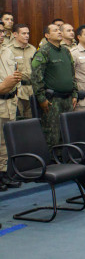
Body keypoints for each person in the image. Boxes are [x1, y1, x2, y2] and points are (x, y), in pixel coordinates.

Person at [31, 24, 78, 150]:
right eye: (55, 30)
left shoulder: (66, 51)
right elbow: (36, 76)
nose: (59, 32)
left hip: (68, 98)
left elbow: (72, 74)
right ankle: (53, 164)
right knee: (53, 134)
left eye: (59, 30)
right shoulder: (43, 51)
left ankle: (67, 160)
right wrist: (41, 98)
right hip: (53, 100)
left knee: (67, 132)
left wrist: (74, 93)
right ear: (47, 35)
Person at [0, 22, 22, 191]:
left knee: (6, 142)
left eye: (2, 32)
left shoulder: (7, 50)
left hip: (9, 101)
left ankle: (4, 174)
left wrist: (14, 83)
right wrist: (4, 85)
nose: (2, 35)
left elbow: (13, 74)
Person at [8, 24, 36, 119]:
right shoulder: (9, 50)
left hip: (32, 89)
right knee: (18, 120)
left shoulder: (33, 49)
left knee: (31, 119)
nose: (27, 36)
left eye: (28, 33)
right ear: (15, 34)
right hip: (18, 89)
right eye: (23, 33)